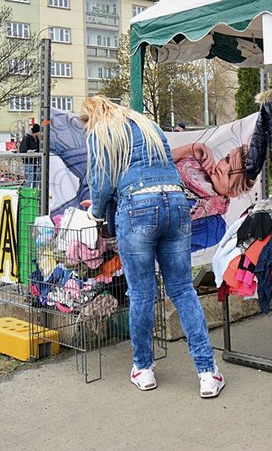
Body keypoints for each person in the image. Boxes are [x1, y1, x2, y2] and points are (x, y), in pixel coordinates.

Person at [80, 95, 224, 398]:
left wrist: (95, 212)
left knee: (142, 294)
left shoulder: (101, 132)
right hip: (175, 201)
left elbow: (102, 182)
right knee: (183, 289)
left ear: (90, 116)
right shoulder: (148, 125)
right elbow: (166, 161)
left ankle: (143, 369)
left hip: (136, 208)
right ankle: (207, 372)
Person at [170, 142, 254, 251]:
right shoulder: (193, 162)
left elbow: (166, 249)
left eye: (229, 175)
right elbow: (150, 165)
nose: (222, 168)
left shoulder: (212, 226)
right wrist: (191, 148)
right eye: (227, 159)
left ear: (233, 193)